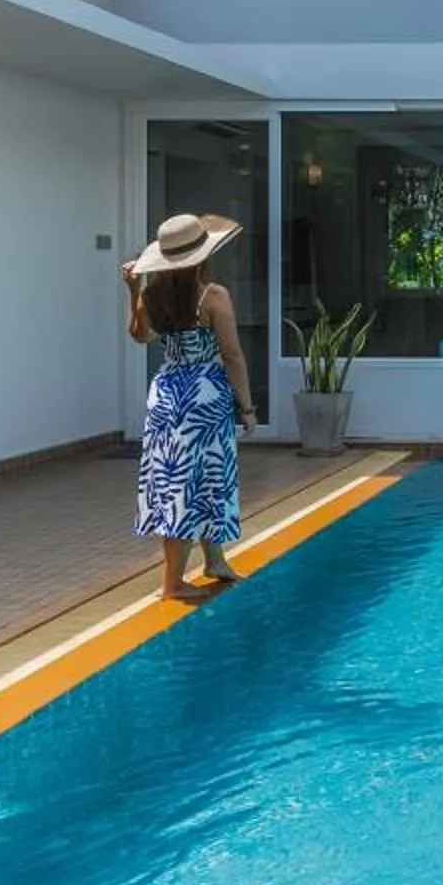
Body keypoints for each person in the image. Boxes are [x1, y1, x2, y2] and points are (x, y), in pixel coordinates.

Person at [123, 212, 252, 602]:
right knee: (205, 477)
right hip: (204, 394)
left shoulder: (153, 294)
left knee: (173, 479)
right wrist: (246, 406)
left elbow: (140, 337)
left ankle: (214, 561)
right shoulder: (212, 296)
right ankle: (173, 583)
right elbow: (231, 353)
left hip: (167, 394)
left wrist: (134, 291)